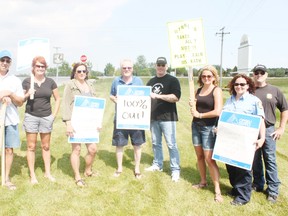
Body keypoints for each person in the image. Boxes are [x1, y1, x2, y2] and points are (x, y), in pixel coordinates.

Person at [223, 74, 265, 206]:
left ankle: (243, 197)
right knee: (231, 165)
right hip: (230, 140)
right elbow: (224, 118)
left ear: (248, 86)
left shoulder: (254, 101)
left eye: (242, 84)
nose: (239, 86)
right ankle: (235, 189)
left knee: (243, 168)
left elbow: (261, 121)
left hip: (246, 140)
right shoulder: (229, 100)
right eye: (236, 84)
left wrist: (262, 138)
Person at [252, 64, 288, 203]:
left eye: (262, 72)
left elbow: (285, 109)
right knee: (255, 159)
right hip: (252, 129)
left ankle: (273, 190)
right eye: (256, 72)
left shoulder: (274, 90)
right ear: (253, 75)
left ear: (266, 74)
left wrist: (281, 127)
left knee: (270, 159)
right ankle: (258, 184)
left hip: (268, 130)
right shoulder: (249, 90)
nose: (259, 74)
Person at [22, 56, 60, 184]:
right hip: (31, 116)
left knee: (46, 146)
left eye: (42, 66)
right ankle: (32, 175)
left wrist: (53, 116)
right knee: (31, 146)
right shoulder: (27, 82)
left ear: (45, 68)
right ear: (33, 67)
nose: (40, 68)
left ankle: (47, 173)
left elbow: (58, 99)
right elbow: (21, 101)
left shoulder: (50, 82)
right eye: (38, 66)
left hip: (46, 117)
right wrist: (27, 94)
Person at [189, 65, 223, 202]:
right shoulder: (198, 90)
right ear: (200, 78)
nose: (206, 78)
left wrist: (200, 115)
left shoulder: (217, 90)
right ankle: (203, 182)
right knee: (199, 156)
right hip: (196, 126)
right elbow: (196, 108)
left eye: (209, 76)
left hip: (209, 128)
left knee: (209, 159)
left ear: (214, 77)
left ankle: (217, 191)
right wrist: (192, 104)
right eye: (204, 76)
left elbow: (217, 111)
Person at [62, 62, 99, 187]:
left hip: (90, 123)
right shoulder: (70, 85)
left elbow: (96, 104)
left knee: (93, 149)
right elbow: (66, 104)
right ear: (74, 73)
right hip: (75, 122)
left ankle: (88, 170)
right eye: (79, 71)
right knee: (76, 149)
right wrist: (68, 123)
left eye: (84, 71)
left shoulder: (91, 85)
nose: (82, 73)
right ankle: (77, 177)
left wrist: (98, 122)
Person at [145, 57, 181, 182]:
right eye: (158, 65)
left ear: (166, 66)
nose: (160, 67)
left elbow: (176, 97)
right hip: (153, 117)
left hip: (168, 118)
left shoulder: (173, 80)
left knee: (171, 144)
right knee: (155, 143)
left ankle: (175, 170)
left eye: (163, 65)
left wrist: (158, 96)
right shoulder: (150, 81)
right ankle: (157, 164)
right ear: (155, 66)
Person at [110, 59, 145, 179]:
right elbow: (111, 95)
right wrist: (115, 99)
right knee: (119, 144)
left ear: (132, 69)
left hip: (136, 119)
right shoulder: (116, 81)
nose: (126, 70)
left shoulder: (138, 81)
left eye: (129, 68)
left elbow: (144, 96)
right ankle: (119, 168)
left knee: (137, 144)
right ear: (121, 69)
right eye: (124, 68)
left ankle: (137, 168)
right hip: (121, 118)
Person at [0, 50, 24, 190]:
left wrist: (10, 93)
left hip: (10, 120)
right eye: (2, 60)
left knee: (9, 149)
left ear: (10, 63)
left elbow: (20, 102)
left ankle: (7, 177)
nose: (4, 63)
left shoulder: (15, 80)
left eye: (7, 61)